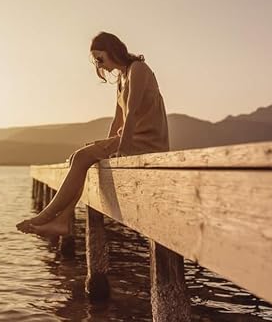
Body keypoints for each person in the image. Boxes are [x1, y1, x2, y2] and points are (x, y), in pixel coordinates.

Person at [16, 31, 169, 237]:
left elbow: (132, 112)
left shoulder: (138, 69)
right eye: (96, 60)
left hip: (146, 143)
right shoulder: (122, 79)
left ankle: (46, 216)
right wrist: (104, 147)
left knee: (81, 157)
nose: (99, 64)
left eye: (100, 58)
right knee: (79, 158)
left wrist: (121, 151)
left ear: (113, 51)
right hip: (131, 138)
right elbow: (118, 121)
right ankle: (62, 220)